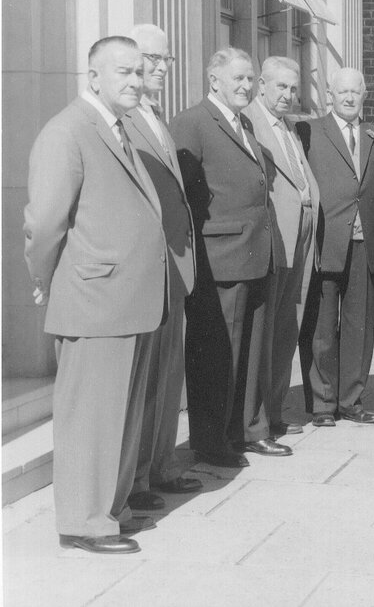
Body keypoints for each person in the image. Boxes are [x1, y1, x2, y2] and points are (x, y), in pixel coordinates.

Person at [24, 36, 166, 554]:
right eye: (123, 72)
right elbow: (43, 225)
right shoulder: (68, 131)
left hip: (129, 300)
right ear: (94, 77)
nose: (134, 81)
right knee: (90, 417)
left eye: (139, 71)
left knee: (121, 417)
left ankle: (110, 507)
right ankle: (83, 522)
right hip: (94, 300)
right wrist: (47, 280)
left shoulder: (119, 127)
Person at [172, 48, 286, 465]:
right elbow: (185, 195)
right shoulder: (192, 122)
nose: (246, 86)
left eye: (251, 79)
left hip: (254, 252)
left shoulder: (244, 123)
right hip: (219, 257)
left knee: (250, 351)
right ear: (214, 80)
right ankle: (211, 441)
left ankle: (247, 431)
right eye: (238, 78)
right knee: (217, 354)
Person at [121, 25, 201, 511]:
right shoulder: (125, 119)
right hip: (149, 269)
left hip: (174, 264)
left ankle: (159, 466)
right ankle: (135, 479)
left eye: (165, 60)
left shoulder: (154, 116)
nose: (162, 68)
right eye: (153, 58)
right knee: (144, 379)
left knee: (168, 373)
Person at [297, 67, 374, 427]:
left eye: (356, 92)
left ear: (365, 94)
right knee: (322, 328)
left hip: (364, 246)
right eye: (343, 92)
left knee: (359, 326)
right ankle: (323, 404)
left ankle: (351, 401)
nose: (350, 98)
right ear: (330, 95)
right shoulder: (309, 131)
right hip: (326, 243)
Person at [243, 57, 319, 437]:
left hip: (301, 236)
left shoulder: (289, 127)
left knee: (287, 328)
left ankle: (274, 413)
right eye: (280, 87)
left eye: (293, 88)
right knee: (267, 331)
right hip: (275, 239)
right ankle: (257, 419)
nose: (288, 95)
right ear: (261, 85)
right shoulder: (249, 122)